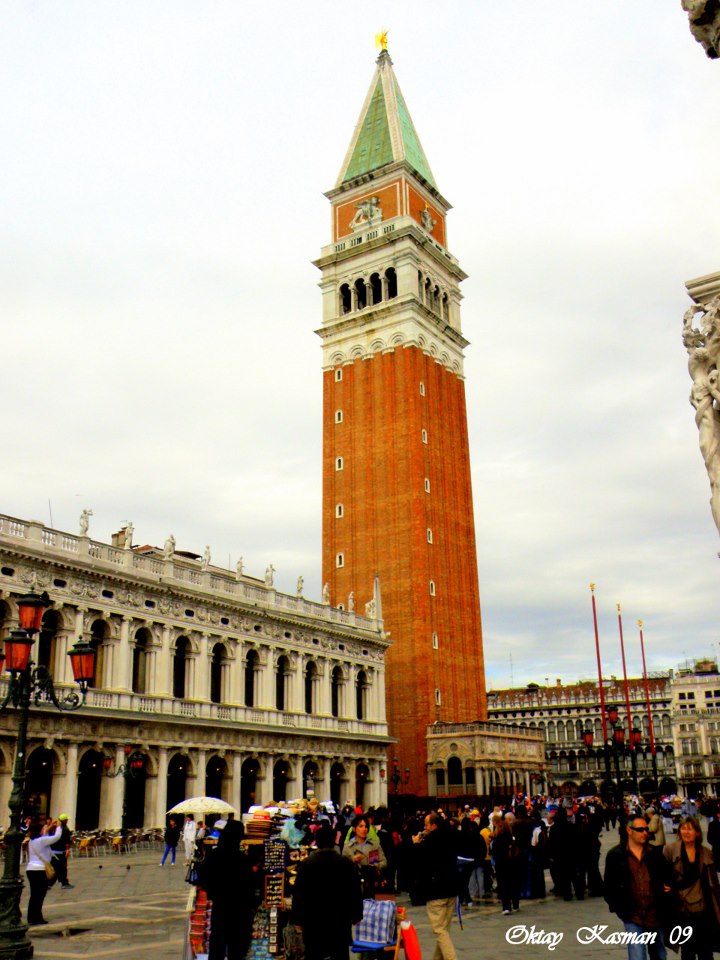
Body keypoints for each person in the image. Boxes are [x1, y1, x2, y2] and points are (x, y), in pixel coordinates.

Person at [291, 822, 363, 960]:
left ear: (317, 842)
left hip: (314, 922)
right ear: (334, 841)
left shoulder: (307, 864)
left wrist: (298, 919)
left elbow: (299, 894)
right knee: (340, 954)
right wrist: (356, 915)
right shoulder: (346, 864)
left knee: (313, 954)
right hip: (339, 921)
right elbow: (355, 892)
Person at [604, 813, 669, 960]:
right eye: (640, 830)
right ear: (629, 831)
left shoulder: (654, 854)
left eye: (646, 829)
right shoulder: (616, 855)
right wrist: (619, 908)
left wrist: (668, 889)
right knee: (637, 955)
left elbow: (668, 876)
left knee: (659, 954)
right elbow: (609, 886)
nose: (645, 833)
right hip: (632, 915)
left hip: (655, 914)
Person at [198, 819, 256, 960]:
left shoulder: (213, 856)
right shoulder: (242, 859)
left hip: (221, 908)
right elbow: (250, 887)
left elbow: (203, 879)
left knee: (217, 946)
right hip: (240, 911)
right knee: (236, 950)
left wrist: (214, 892)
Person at [664, 815, 720, 960]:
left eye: (690, 829)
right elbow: (662, 875)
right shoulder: (670, 851)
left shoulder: (706, 853)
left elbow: (714, 884)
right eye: (683, 829)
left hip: (703, 909)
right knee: (687, 951)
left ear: (697, 832)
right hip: (681, 910)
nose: (686, 832)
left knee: (705, 951)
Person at [412, 812, 459, 959]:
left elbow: (420, 863)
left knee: (439, 930)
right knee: (444, 930)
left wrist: (416, 845)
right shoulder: (452, 836)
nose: (424, 827)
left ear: (434, 825)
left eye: (426, 824)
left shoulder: (430, 841)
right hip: (451, 888)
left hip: (435, 890)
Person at [26, 819, 62, 925]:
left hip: (31, 869)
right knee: (40, 895)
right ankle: (37, 918)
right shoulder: (41, 841)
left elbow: (45, 834)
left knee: (34, 895)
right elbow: (56, 837)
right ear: (39, 831)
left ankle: (32, 917)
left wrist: (50, 826)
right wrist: (59, 827)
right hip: (40, 870)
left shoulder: (32, 841)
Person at [342, 814, 387, 896]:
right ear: (354, 829)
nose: (364, 829)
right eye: (361, 826)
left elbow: (383, 862)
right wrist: (353, 860)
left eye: (366, 827)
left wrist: (375, 866)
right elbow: (343, 867)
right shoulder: (347, 847)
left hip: (372, 884)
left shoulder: (374, 845)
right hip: (354, 885)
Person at [49, 814, 74, 889]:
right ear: (64, 820)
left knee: (57, 868)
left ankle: (51, 883)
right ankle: (64, 883)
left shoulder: (54, 829)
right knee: (61, 868)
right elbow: (67, 841)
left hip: (53, 851)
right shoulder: (65, 829)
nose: (67, 821)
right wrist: (67, 850)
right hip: (60, 851)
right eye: (66, 820)